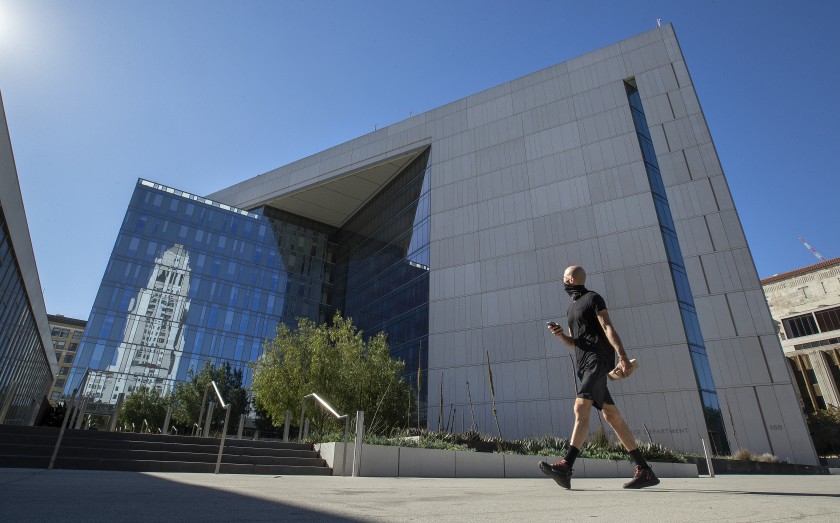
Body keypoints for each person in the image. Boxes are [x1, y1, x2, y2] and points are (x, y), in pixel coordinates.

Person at [539, 265, 659, 489]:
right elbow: (574, 342)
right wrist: (561, 335)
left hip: (599, 359)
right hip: (583, 364)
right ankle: (644, 470)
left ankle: (566, 465)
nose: (562, 280)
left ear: (572, 279)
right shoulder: (570, 309)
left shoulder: (593, 298)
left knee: (580, 407)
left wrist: (622, 357)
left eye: (564, 276)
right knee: (611, 416)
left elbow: (607, 326)